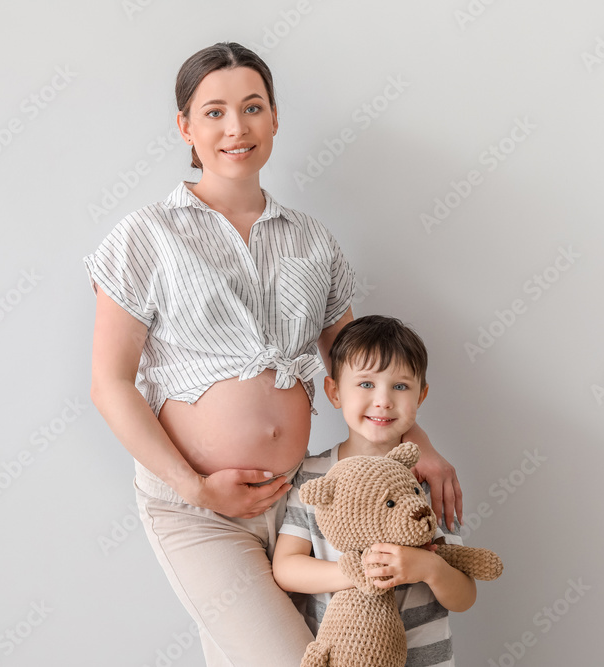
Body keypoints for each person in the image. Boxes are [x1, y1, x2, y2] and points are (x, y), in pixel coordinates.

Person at [83, 42, 462, 666]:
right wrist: (200, 489)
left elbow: (358, 372)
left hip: (300, 505)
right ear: (185, 126)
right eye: (214, 112)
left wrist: (420, 444)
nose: (236, 128)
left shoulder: (312, 240)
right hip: (196, 511)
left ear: (275, 118)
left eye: (253, 107)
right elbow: (110, 384)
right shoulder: (145, 237)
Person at [273, 315, 476, 666]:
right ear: (334, 392)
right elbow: (287, 568)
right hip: (346, 653)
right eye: (366, 384)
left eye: (400, 386)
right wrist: (356, 573)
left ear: (421, 395)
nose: (383, 400)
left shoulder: (426, 481)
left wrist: (429, 568)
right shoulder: (314, 476)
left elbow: (464, 597)